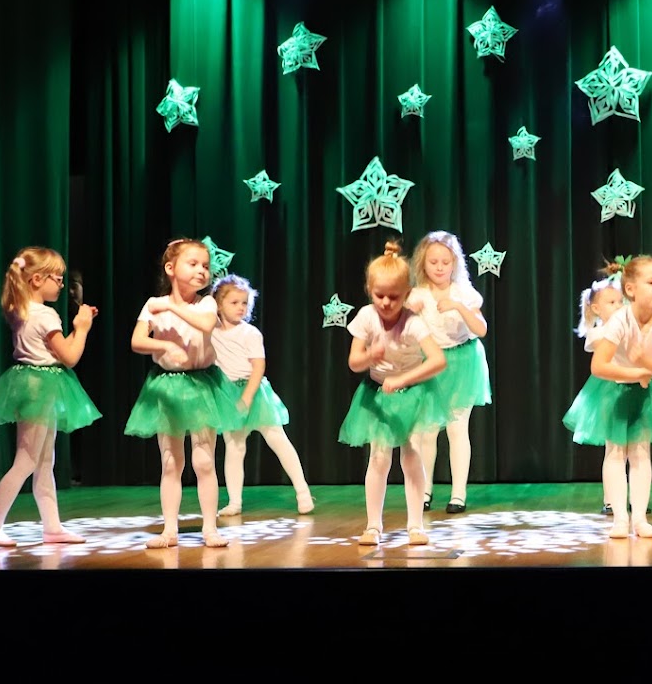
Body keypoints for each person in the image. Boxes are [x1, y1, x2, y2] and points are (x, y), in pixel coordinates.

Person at [0, 246, 101, 546]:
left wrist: (75, 329)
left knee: (44, 462)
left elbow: (56, 352)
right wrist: (82, 328)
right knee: (27, 461)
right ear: (36, 280)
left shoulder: (20, 309)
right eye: (57, 278)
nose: (62, 284)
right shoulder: (45, 315)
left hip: (30, 383)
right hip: (41, 386)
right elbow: (70, 357)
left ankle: (52, 527)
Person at [124, 238, 243, 549]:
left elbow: (206, 324)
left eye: (205, 266)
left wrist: (171, 306)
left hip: (201, 385)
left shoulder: (206, 303)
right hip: (168, 386)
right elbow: (137, 341)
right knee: (170, 462)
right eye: (193, 264)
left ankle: (210, 528)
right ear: (170, 268)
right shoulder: (154, 304)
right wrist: (164, 344)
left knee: (204, 461)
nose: (201, 270)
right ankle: (170, 530)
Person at [563, 255, 652, 538]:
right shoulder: (620, 320)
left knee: (641, 453)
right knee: (616, 452)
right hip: (613, 390)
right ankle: (620, 519)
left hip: (646, 391)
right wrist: (636, 372)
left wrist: (644, 362)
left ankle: (640, 519)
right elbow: (599, 366)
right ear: (630, 289)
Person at [339, 240, 449, 546]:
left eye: (394, 296)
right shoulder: (366, 317)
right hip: (377, 394)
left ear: (407, 294)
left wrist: (402, 379)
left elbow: (438, 361)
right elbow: (354, 362)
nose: (386, 303)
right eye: (380, 295)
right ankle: (373, 525)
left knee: (411, 454)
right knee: (378, 457)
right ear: (369, 290)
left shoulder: (413, 322)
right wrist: (370, 356)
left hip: (412, 393)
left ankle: (416, 525)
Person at [210, 274, 314, 517]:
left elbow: (258, 366)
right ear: (218, 304)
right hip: (227, 393)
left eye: (244, 303)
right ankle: (234, 501)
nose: (241, 307)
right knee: (234, 446)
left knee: (277, 439)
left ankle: (303, 492)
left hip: (254, 391)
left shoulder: (250, 333)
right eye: (234, 302)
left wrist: (247, 397)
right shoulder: (212, 331)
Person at [407, 231, 492, 514]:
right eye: (433, 262)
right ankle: (424, 490)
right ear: (423, 263)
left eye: (445, 262)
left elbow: (481, 329)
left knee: (457, 428)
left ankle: (458, 494)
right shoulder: (417, 295)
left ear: (455, 263)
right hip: (431, 363)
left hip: (462, 363)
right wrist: (409, 311)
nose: (440, 267)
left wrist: (458, 306)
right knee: (427, 431)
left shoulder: (464, 293)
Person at [572, 264, 632, 516]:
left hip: (633, 389)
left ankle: (635, 497)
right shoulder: (597, 333)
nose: (618, 306)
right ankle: (611, 500)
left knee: (635, 450)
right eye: (611, 302)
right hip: (608, 392)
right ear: (596, 309)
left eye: (621, 301)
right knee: (614, 448)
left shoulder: (630, 326)